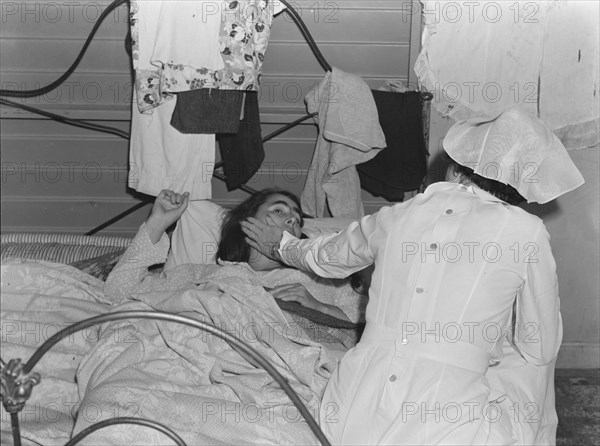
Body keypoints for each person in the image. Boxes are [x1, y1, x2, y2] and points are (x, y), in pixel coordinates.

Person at [241, 107, 585, 445]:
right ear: (522, 190)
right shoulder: (527, 231)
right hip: (449, 425)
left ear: (455, 173)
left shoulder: (397, 216)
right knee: (533, 361)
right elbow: (538, 345)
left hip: (350, 412)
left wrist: (281, 247)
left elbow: (326, 256)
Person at [106, 188, 367, 325]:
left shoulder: (326, 281)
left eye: (297, 220)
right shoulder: (207, 274)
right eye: (278, 210)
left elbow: (375, 329)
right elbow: (118, 294)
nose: (292, 218)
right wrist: (157, 222)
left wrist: (319, 308)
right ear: (245, 222)